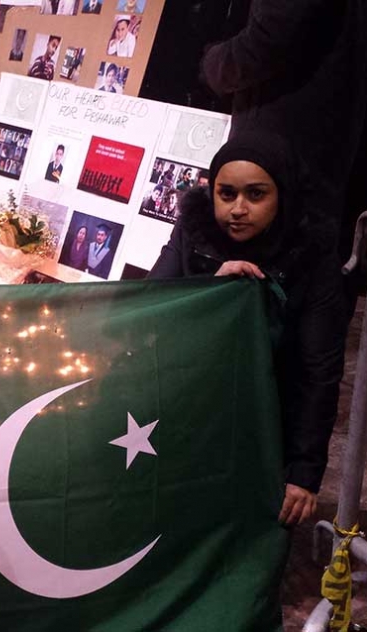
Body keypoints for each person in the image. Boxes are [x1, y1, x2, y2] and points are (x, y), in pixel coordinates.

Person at [148, 131, 349, 526]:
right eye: (227, 194)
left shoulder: (312, 254)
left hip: (266, 416)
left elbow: (318, 370)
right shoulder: (194, 231)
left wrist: (304, 474)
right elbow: (152, 306)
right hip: (186, 409)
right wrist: (215, 291)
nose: (238, 209)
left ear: (282, 195)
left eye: (256, 195)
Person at [201, 1, 367, 265]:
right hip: (314, 143)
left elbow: (267, 40)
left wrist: (213, 63)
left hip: (282, 149)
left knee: (260, 281)